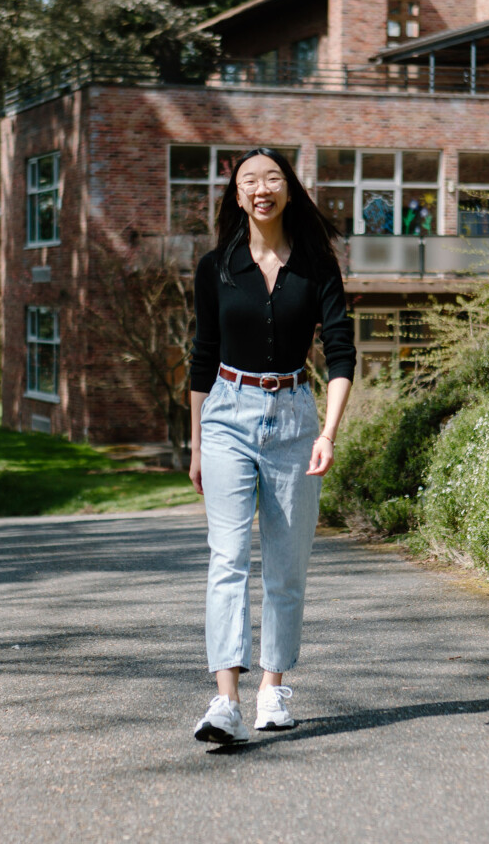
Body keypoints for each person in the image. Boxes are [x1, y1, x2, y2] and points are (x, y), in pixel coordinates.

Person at [189, 147, 355, 745]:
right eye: (249, 180)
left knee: (286, 566)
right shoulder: (215, 267)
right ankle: (225, 701)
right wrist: (196, 442)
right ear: (237, 195)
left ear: (289, 190)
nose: (262, 188)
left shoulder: (317, 266)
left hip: (294, 418)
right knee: (227, 559)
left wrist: (328, 433)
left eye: (273, 178)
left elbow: (341, 352)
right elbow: (202, 357)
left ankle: (272, 690)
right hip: (227, 415)